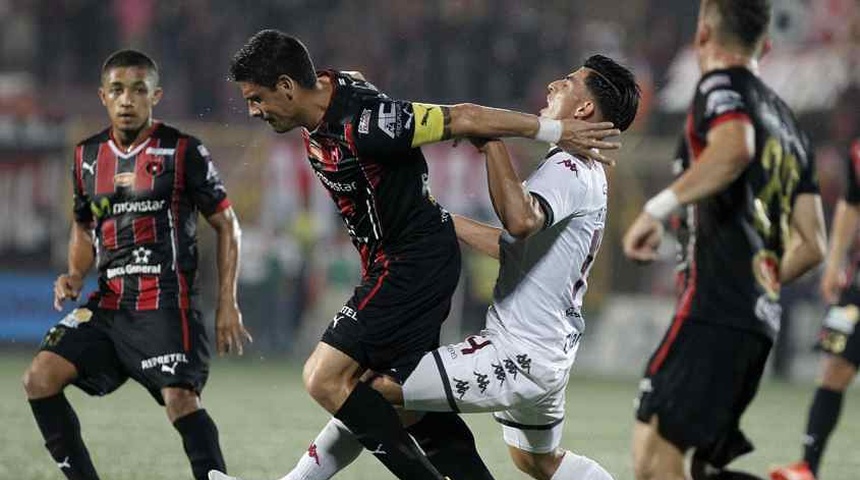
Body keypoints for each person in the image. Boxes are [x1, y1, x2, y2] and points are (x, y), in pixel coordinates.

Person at [212, 53, 638, 480]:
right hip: (550, 352)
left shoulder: (568, 167)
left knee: (365, 390)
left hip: (519, 355)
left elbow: (520, 221)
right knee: (537, 461)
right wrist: (440, 218)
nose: (552, 86)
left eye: (566, 82)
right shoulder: (586, 174)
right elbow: (512, 245)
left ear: (584, 109)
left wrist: (489, 138)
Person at [21, 50, 252, 480]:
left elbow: (228, 225)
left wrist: (227, 303)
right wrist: (74, 274)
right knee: (40, 379)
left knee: (180, 399)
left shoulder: (183, 151)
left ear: (156, 96)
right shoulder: (85, 157)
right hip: (109, 305)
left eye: (138, 90)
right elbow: (84, 226)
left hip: (165, 304)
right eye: (117, 90)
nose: (127, 99)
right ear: (103, 97)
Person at [621, 1, 827, 480]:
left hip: (713, 308)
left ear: (703, 33)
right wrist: (761, 284)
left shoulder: (719, 86)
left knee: (653, 459)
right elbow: (813, 243)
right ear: (766, 46)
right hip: (755, 321)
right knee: (697, 468)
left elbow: (734, 149)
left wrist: (656, 210)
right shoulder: (791, 126)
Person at [769, 137, 860, 480]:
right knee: (834, 366)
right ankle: (808, 466)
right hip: (857, 285)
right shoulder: (856, 151)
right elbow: (852, 204)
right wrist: (835, 262)